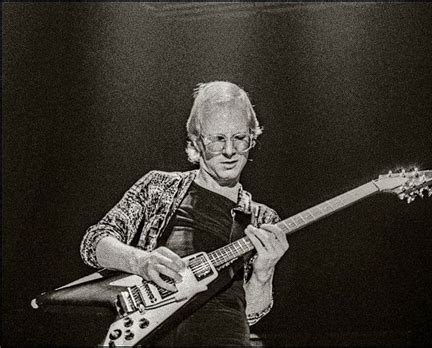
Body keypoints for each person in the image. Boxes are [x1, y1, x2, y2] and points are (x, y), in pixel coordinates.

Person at [80, 81, 289, 346]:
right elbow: (94, 242)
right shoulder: (158, 187)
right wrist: (140, 261)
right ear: (196, 141)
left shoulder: (262, 219)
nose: (229, 151)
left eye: (239, 138)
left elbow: (248, 315)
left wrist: (264, 274)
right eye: (217, 139)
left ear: (252, 137)